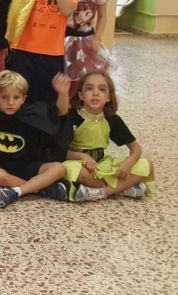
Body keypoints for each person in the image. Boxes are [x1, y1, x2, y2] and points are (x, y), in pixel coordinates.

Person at [0, 70, 71, 208]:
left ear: (23, 99)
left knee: (59, 168)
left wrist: (63, 93)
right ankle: (43, 190)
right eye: (4, 97)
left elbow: (60, 112)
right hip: (1, 167)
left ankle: (17, 191)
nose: (10, 102)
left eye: (16, 97)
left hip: (26, 165)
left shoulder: (31, 114)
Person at [63, 71, 152, 202]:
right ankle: (123, 188)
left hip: (101, 165)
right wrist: (81, 156)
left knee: (146, 166)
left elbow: (136, 148)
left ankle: (100, 192)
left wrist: (129, 163)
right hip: (77, 162)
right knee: (73, 170)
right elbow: (59, 151)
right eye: (89, 88)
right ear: (81, 95)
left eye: (102, 89)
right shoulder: (71, 117)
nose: (95, 93)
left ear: (108, 97)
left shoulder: (111, 119)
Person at [65, 0, 116, 92]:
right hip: (65, 39)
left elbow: (103, 17)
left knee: (87, 75)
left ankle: (85, 102)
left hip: (87, 39)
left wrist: (97, 38)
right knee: (67, 76)